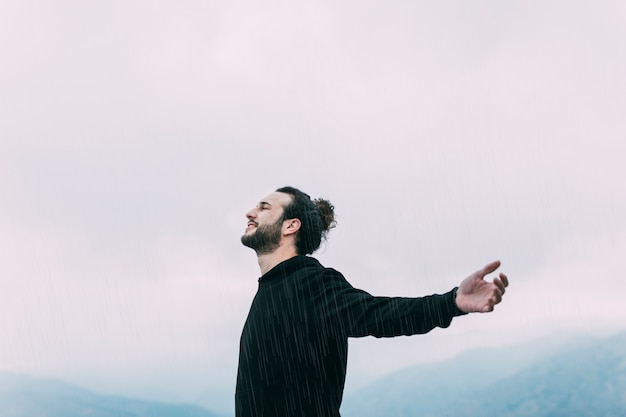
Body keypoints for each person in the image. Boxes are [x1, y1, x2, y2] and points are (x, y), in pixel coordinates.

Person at [235, 186, 509, 417]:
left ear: (291, 226)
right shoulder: (269, 289)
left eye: (264, 207)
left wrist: (451, 302)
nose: (251, 212)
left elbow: (379, 314)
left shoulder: (311, 284)